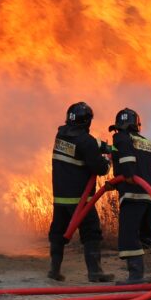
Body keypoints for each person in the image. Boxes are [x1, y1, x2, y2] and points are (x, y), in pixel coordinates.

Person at [47, 101, 114, 282]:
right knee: (91, 232)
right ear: (87, 122)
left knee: (58, 232)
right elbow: (99, 168)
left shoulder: (61, 134)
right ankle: (95, 272)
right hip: (80, 199)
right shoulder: (86, 142)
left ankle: (54, 270)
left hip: (60, 197)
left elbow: (84, 143)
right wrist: (108, 159)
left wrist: (103, 146)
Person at [108, 107, 151, 284]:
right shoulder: (149, 143)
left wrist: (127, 177)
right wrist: (115, 182)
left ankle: (136, 276)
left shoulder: (121, 138)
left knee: (128, 234)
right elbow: (146, 168)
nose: (116, 132)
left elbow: (128, 166)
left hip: (134, 194)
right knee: (149, 233)